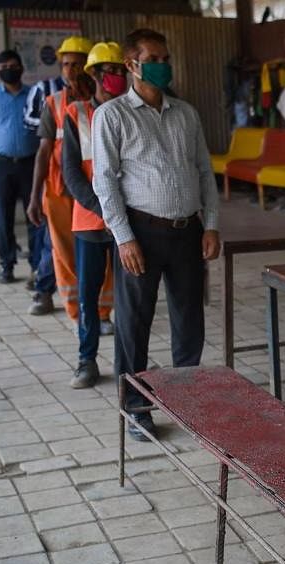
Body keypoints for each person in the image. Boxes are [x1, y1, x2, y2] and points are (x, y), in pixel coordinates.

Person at [92, 28, 221, 440]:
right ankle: (136, 407)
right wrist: (123, 237)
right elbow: (105, 181)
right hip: (141, 233)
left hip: (187, 231)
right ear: (132, 64)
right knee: (134, 323)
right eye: (155, 58)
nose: (163, 65)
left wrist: (212, 223)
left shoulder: (186, 113)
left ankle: (186, 401)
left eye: (166, 58)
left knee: (189, 319)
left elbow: (205, 172)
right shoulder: (112, 115)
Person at [62, 42, 127, 388]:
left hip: (128, 223)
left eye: (121, 70)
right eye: (112, 71)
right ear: (97, 75)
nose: (117, 77)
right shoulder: (76, 113)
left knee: (128, 295)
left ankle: (126, 364)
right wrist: (105, 209)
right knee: (88, 295)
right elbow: (71, 172)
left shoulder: (133, 112)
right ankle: (86, 360)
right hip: (90, 220)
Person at [25, 36, 95, 318]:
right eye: (65, 64)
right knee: (60, 250)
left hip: (92, 190)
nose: (70, 69)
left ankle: (100, 309)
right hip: (58, 190)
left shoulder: (101, 103)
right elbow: (43, 153)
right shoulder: (53, 103)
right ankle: (72, 307)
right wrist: (34, 197)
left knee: (95, 251)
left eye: (77, 63)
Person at [0, 49, 43, 285]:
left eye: (13, 65)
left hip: (31, 164)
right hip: (2, 165)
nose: (8, 69)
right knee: (3, 218)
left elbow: (43, 127)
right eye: (3, 66)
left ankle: (37, 266)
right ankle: (7, 265)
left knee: (35, 215)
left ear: (22, 68)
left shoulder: (34, 94)